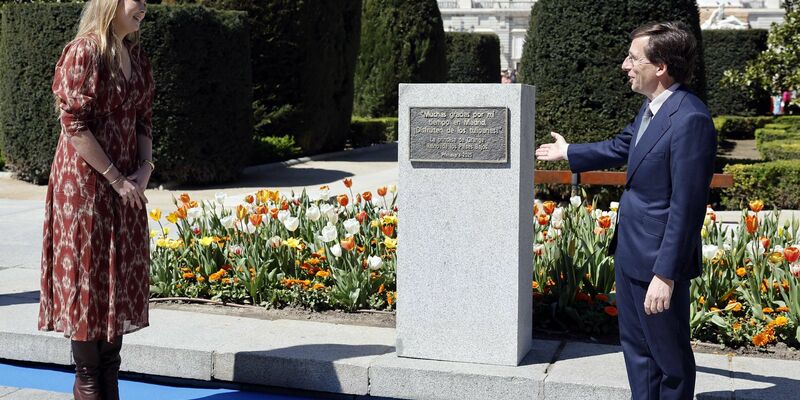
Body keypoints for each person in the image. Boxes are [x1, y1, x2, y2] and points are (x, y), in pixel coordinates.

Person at [535, 21, 716, 400]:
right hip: (631, 252)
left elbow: (687, 206)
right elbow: (622, 145)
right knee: (637, 354)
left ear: (661, 66)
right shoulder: (651, 109)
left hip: (658, 264)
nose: (624, 65)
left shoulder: (691, 118)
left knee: (670, 361)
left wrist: (665, 275)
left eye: (633, 58)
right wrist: (569, 152)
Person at [38, 0, 154, 398]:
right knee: (88, 285)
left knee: (116, 286)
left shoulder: (135, 56)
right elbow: (72, 122)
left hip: (125, 187)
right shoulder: (85, 51)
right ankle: (88, 378)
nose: (145, 6)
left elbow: (143, 120)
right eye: (138, 0)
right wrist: (116, 178)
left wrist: (144, 169)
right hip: (85, 189)